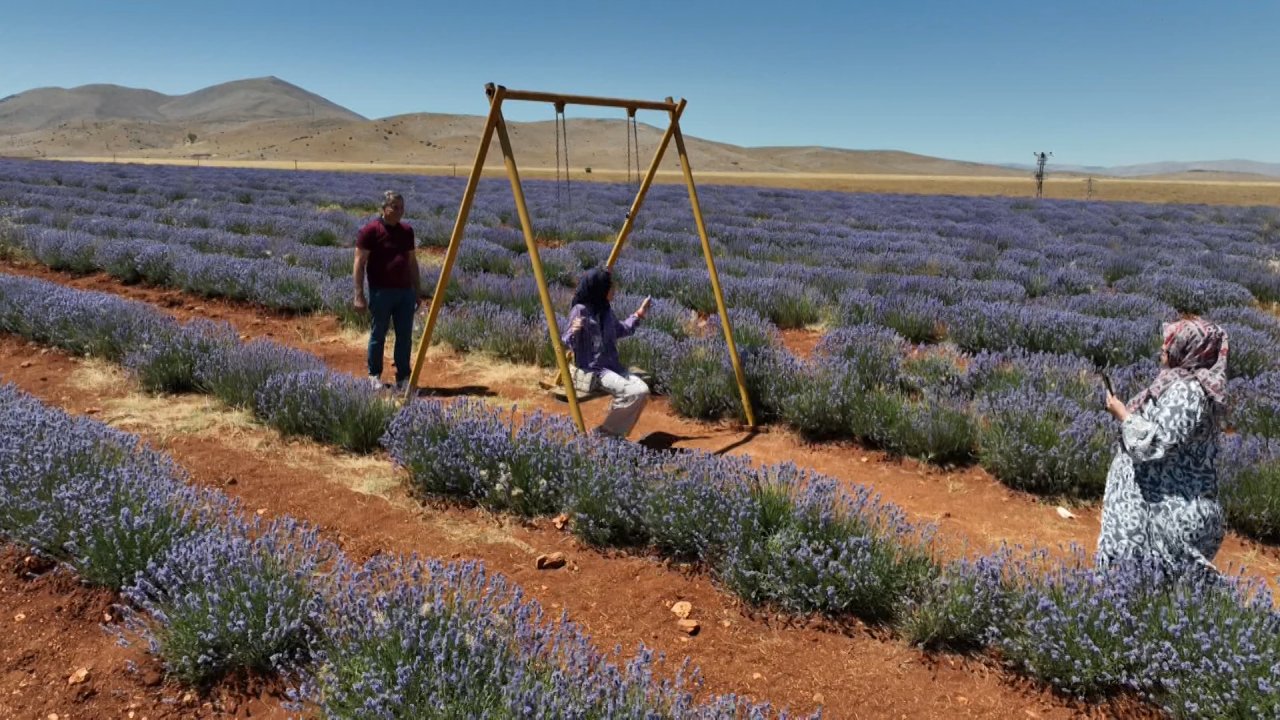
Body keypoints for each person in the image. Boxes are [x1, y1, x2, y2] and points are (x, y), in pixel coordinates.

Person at [1097, 317, 1228, 577]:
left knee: (1149, 580)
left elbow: (1155, 443)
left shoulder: (1188, 392)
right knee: (1149, 582)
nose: (1163, 350)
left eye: (1169, 345)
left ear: (1187, 350)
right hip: (1159, 504)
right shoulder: (1179, 384)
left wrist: (1123, 415)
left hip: (1166, 510)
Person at [562, 268, 651, 438]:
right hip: (595, 371)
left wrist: (639, 314)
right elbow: (565, 343)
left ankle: (609, 434)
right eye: (610, 286)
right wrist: (573, 331)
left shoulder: (606, 310)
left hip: (613, 366)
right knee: (634, 393)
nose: (614, 289)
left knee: (643, 391)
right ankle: (606, 435)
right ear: (600, 289)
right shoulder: (580, 310)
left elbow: (620, 330)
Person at [354, 191, 422, 392]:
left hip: (404, 293)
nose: (399, 211)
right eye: (394, 206)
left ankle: (403, 378)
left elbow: (412, 262)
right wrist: (359, 294)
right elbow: (359, 262)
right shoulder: (370, 231)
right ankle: (374, 375)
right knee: (378, 334)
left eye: (401, 207)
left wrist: (417, 291)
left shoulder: (407, 231)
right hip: (380, 292)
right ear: (384, 208)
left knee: (404, 336)